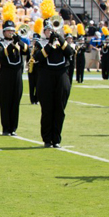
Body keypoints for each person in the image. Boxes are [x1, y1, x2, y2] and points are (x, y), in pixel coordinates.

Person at [32, 17, 76, 148]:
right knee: (47, 110)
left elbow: (70, 53)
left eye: (52, 30)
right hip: (46, 77)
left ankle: (56, 139)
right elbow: (38, 58)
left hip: (61, 76)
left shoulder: (62, 42)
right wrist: (50, 45)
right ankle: (47, 138)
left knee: (60, 110)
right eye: (48, 30)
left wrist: (60, 40)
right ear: (44, 31)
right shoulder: (40, 43)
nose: (50, 32)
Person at [0, 20, 29, 136]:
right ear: (4, 32)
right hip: (5, 75)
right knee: (5, 101)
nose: (11, 33)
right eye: (8, 31)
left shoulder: (19, 43)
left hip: (17, 74)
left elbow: (28, 51)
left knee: (15, 101)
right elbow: (1, 54)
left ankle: (13, 128)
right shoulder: (0, 43)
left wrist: (19, 42)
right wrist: (12, 45)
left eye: (13, 31)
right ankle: (5, 128)